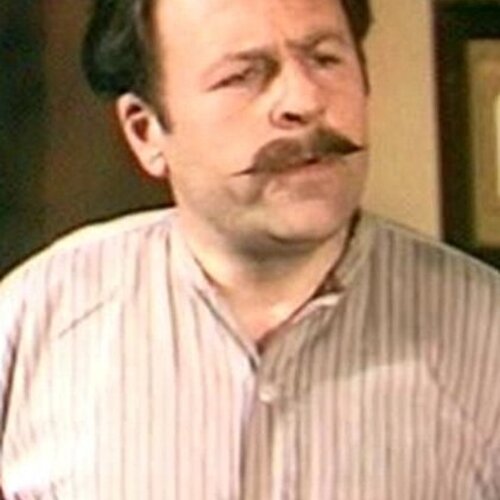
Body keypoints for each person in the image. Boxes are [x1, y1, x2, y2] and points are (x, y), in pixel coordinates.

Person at [1, 0, 499, 497]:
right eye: (242, 76)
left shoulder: (486, 332)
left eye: (325, 59)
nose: (303, 100)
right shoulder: (33, 320)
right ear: (145, 130)